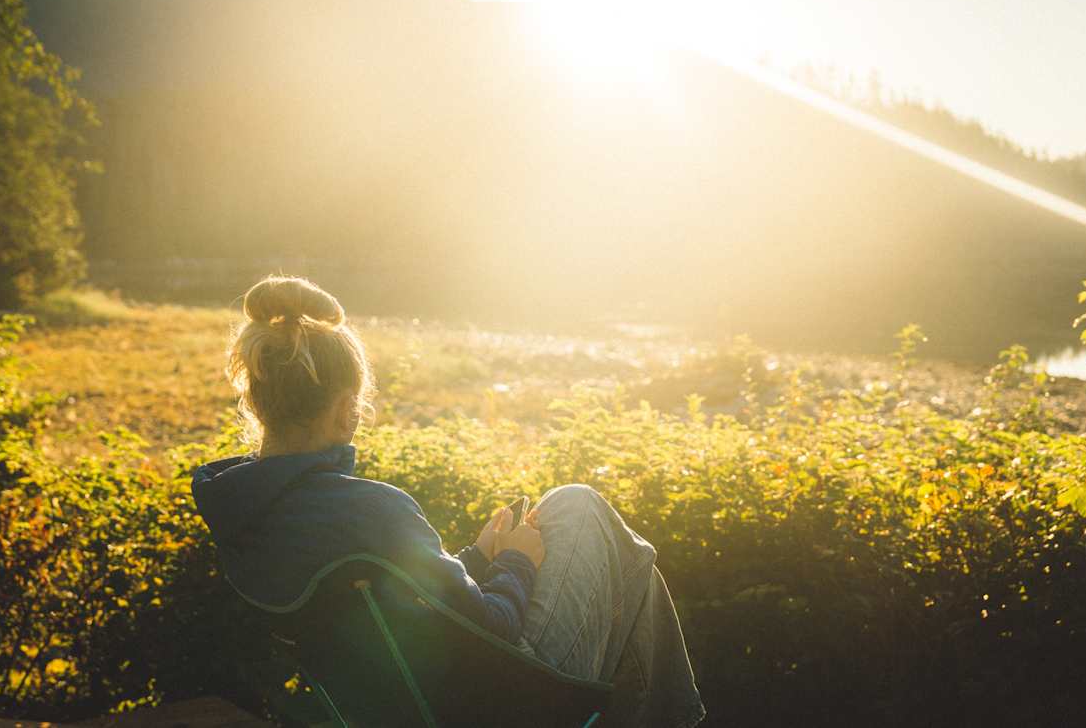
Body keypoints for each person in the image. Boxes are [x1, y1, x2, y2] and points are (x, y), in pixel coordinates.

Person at [191, 275, 705, 727]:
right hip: (498, 703)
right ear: (348, 411)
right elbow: (494, 629)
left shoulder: (239, 511)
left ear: (257, 402)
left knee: (600, 533)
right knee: (591, 516)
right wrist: (519, 561)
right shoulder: (373, 510)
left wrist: (479, 559)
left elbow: (407, 613)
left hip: (402, 707)